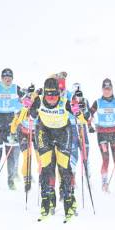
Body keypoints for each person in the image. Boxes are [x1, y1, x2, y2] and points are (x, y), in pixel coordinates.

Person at [28, 77, 83, 220]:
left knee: (64, 167)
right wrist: (29, 104)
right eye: (49, 95)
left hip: (63, 133)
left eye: (55, 95)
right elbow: (31, 114)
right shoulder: (39, 100)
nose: (52, 98)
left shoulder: (65, 103)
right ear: (44, 94)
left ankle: (69, 200)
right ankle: (47, 199)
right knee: (46, 167)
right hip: (44, 132)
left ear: (59, 94)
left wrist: (79, 110)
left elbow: (83, 119)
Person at [89, 78, 115, 194]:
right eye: (105, 89)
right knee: (105, 159)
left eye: (109, 89)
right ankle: (104, 183)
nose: (107, 91)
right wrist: (90, 126)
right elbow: (89, 114)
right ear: (102, 89)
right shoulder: (97, 102)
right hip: (102, 134)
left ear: (112, 89)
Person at [0, 68, 22, 189]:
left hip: (10, 123)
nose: (8, 80)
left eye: (10, 78)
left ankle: (11, 180)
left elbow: (27, 99)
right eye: (5, 78)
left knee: (10, 154)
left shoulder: (16, 88)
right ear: (2, 78)